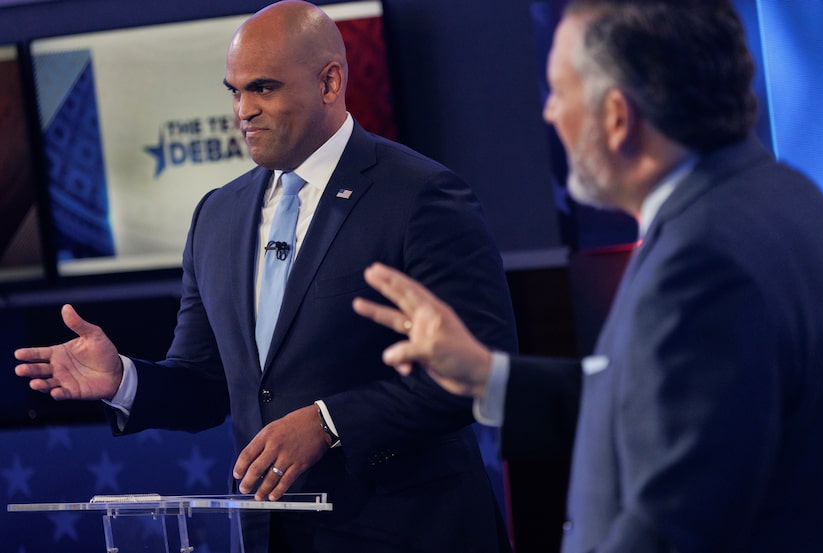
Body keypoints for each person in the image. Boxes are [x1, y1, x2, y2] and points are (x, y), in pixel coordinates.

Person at [14, 2, 518, 552]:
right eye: (234, 91)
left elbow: (483, 369)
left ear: (329, 82)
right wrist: (125, 381)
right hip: (271, 534)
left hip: (412, 530)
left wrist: (330, 423)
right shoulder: (216, 215)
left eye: (263, 89)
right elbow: (205, 383)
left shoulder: (421, 197)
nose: (243, 111)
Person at [353, 1, 823, 552]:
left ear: (617, 117)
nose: (549, 113)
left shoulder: (701, 262)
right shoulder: (782, 196)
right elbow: (671, 411)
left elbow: (670, 530)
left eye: (558, 91)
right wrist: (489, 376)